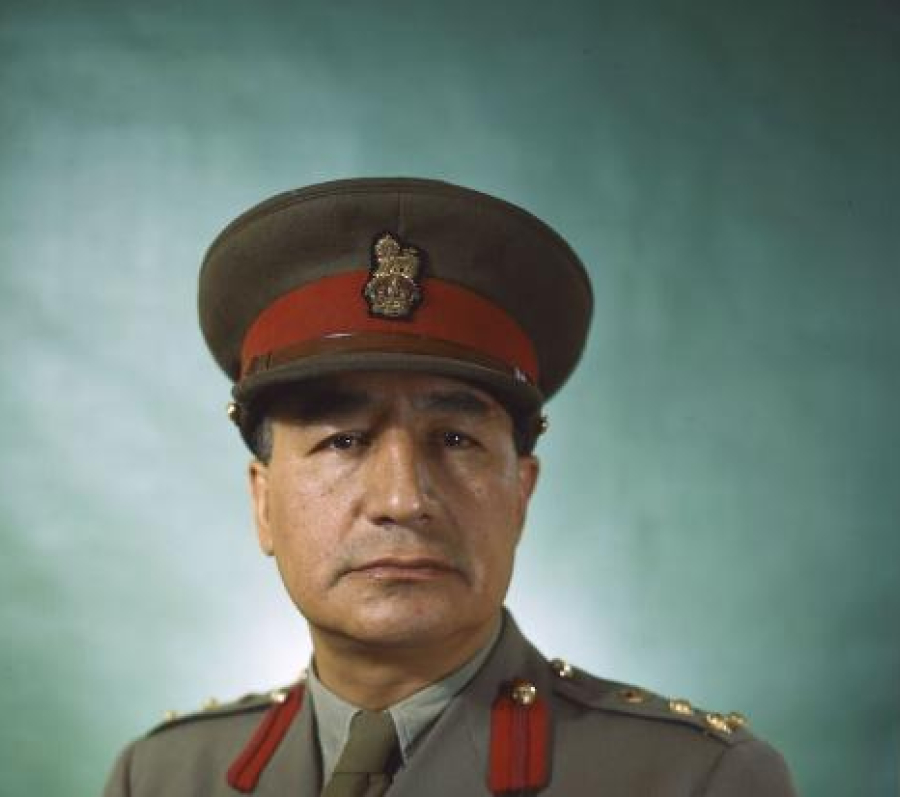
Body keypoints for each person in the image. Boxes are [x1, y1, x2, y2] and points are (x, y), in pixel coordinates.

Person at [103, 178, 797, 796]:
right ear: (262, 501)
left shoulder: (696, 780)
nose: (403, 500)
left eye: (456, 440)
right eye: (343, 440)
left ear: (520, 493)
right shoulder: (163, 777)